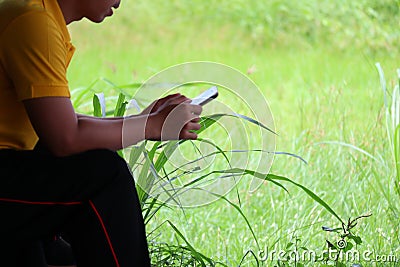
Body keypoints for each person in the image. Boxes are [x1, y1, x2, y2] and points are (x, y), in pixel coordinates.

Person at [0, 0, 203, 266]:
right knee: (105, 175)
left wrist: (143, 119)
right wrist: (151, 125)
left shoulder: (33, 12)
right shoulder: (33, 21)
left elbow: (58, 121)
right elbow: (65, 137)